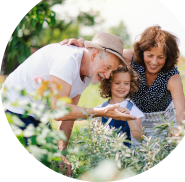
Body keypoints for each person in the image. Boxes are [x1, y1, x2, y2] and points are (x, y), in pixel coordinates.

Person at [0, 32, 137, 177]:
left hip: (39, 115)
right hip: (15, 109)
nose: (108, 75)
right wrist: (102, 112)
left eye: (112, 70)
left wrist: (62, 152)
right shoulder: (67, 60)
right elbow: (60, 111)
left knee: (53, 163)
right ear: (94, 54)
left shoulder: (88, 72)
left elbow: (69, 115)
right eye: (107, 67)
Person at [59, 25, 185, 141]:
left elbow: (181, 110)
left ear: (167, 57)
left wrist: (179, 129)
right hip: (136, 118)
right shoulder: (130, 58)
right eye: (150, 55)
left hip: (163, 121)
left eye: (160, 57)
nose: (154, 62)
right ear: (142, 52)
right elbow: (104, 54)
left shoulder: (172, 77)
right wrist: (82, 50)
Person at [93, 65, 145, 148]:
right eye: (117, 83)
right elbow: (93, 137)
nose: (122, 86)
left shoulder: (133, 110)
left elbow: (140, 137)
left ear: (131, 84)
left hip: (126, 157)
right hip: (105, 156)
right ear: (109, 84)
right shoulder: (99, 109)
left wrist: (129, 118)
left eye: (126, 83)